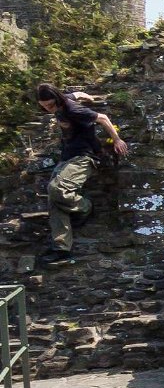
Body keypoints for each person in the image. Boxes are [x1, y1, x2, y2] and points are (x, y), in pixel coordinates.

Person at [34, 83, 128, 264]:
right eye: (44, 105)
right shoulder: (64, 100)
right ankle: (61, 248)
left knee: (57, 189)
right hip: (67, 157)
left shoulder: (71, 109)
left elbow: (103, 118)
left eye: (50, 105)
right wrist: (85, 95)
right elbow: (73, 94)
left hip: (85, 157)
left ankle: (85, 207)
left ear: (56, 98)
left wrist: (116, 139)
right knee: (53, 200)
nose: (48, 108)